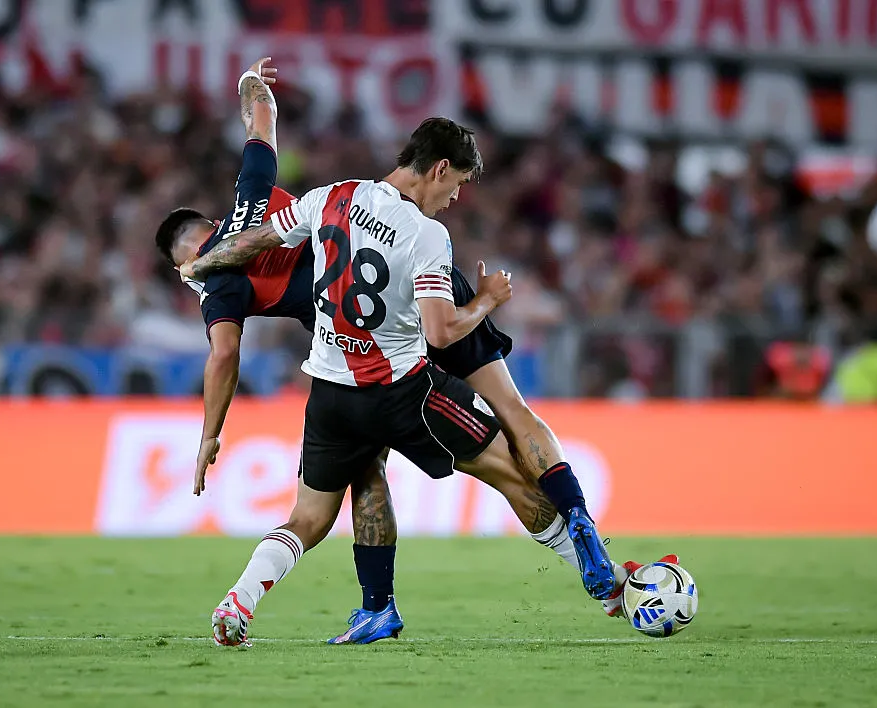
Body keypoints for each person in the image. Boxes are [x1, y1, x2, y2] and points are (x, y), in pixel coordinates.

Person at [173, 115, 616, 646]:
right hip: (405, 391)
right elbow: (440, 330)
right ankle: (598, 562)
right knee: (511, 462)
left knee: (312, 515)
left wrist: (204, 266)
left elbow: (257, 240)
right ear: (440, 169)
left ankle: (252, 601)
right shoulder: (426, 234)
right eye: (457, 184)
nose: (455, 197)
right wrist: (487, 300)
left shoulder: (330, 196)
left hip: (332, 394)